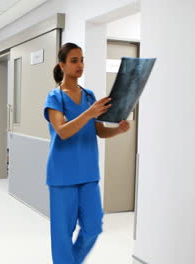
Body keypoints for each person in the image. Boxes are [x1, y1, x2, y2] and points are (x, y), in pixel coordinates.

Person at [43, 42, 130, 264]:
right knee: (62, 234)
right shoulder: (55, 97)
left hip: (89, 174)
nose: (80, 65)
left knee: (93, 227)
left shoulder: (90, 96)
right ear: (62, 65)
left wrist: (118, 130)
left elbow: (99, 131)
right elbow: (62, 131)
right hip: (62, 175)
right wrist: (89, 114)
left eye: (82, 60)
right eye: (74, 61)